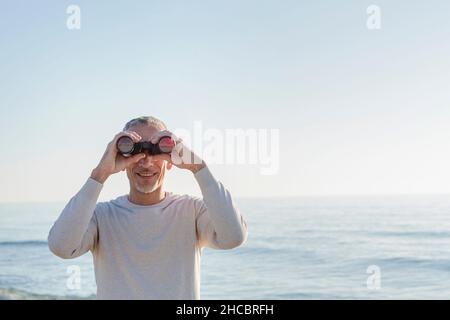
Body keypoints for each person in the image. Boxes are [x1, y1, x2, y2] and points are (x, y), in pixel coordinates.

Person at [48, 116, 248, 299]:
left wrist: (198, 166)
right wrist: (100, 174)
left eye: (157, 150)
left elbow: (233, 237)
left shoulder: (192, 211)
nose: (146, 162)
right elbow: (61, 247)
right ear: (122, 159)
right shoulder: (102, 216)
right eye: (134, 149)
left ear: (171, 161)